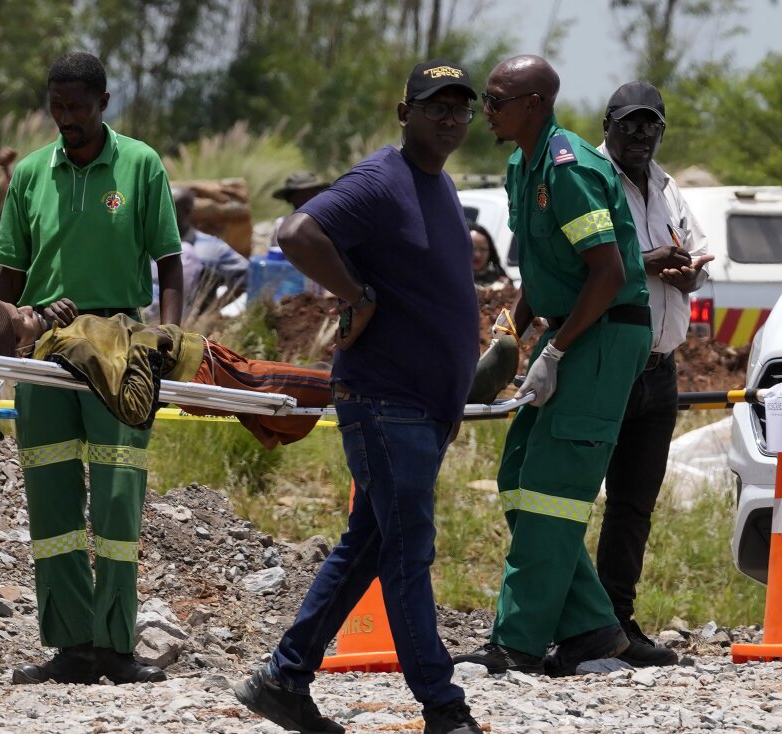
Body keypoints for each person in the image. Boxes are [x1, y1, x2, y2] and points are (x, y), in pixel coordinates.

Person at [233, 59, 484, 734]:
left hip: (422, 408)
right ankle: (443, 706)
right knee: (409, 552)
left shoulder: (440, 186)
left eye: (461, 107)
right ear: (406, 114)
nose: (451, 117)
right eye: (436, 106)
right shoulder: (382, 179)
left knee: (370, 546)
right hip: (384, 399)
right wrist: (355, 293)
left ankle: (284, 679)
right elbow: (294, 234)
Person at [453, 55, 652, 678]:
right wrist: (514, 328)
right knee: (518, 475)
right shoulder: (521, 164)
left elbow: (608, 272)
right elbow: (544, 265)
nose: (486, 109)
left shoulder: (568, 168)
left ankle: (518, 641)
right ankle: (592, 629)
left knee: (551, 491)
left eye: (496, 99)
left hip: (602, 335)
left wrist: (558, 351)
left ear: (535, 104)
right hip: (569, 330)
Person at [0, 51, 182, 686]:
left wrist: (166, 337)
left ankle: (115, 648)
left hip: (121, 343)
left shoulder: (140, 164)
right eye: (57, 106)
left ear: (104, 103)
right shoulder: (28, 175)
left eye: (77, 106)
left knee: (118, 496)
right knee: (51, 496)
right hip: (45, 345)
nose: (66, 118)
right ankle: (70, 646)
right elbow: (12, 276)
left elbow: (169, 262)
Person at [595, 81, 712, 667]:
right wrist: (650, 264)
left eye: (652, 124)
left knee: (634, 505)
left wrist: (689, 272)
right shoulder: (588, 177)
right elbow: (585, 268)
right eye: (631, 123)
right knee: (566, 500)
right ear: (608, 123)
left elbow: (694, 253)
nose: (642, 134)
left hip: (660, 369)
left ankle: (617, 623)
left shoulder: (667, 187)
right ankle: (570, 624)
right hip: (606, 367)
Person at [0, 298, 331, 447]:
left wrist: (64, 315)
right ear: (17, 348)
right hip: (199, 370)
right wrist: (147, 347)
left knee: (302, 394)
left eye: (20, 305)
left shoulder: (57, 336)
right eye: (22, 319)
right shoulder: (68, 350)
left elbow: (109, 344)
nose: (28, 308)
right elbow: (134, 408)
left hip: (203, 359)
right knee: (322, 387)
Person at [171, 186, 248, 314]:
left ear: (187, 211)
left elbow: (247, 278)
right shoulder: (142, 244)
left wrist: (212, 310)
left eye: (168, 208)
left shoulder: (212, 248)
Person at [470, 222, 511, 288]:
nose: (478, 255)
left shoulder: (502, 283)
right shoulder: (452, 279)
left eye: (483, 249)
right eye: (472, 249)